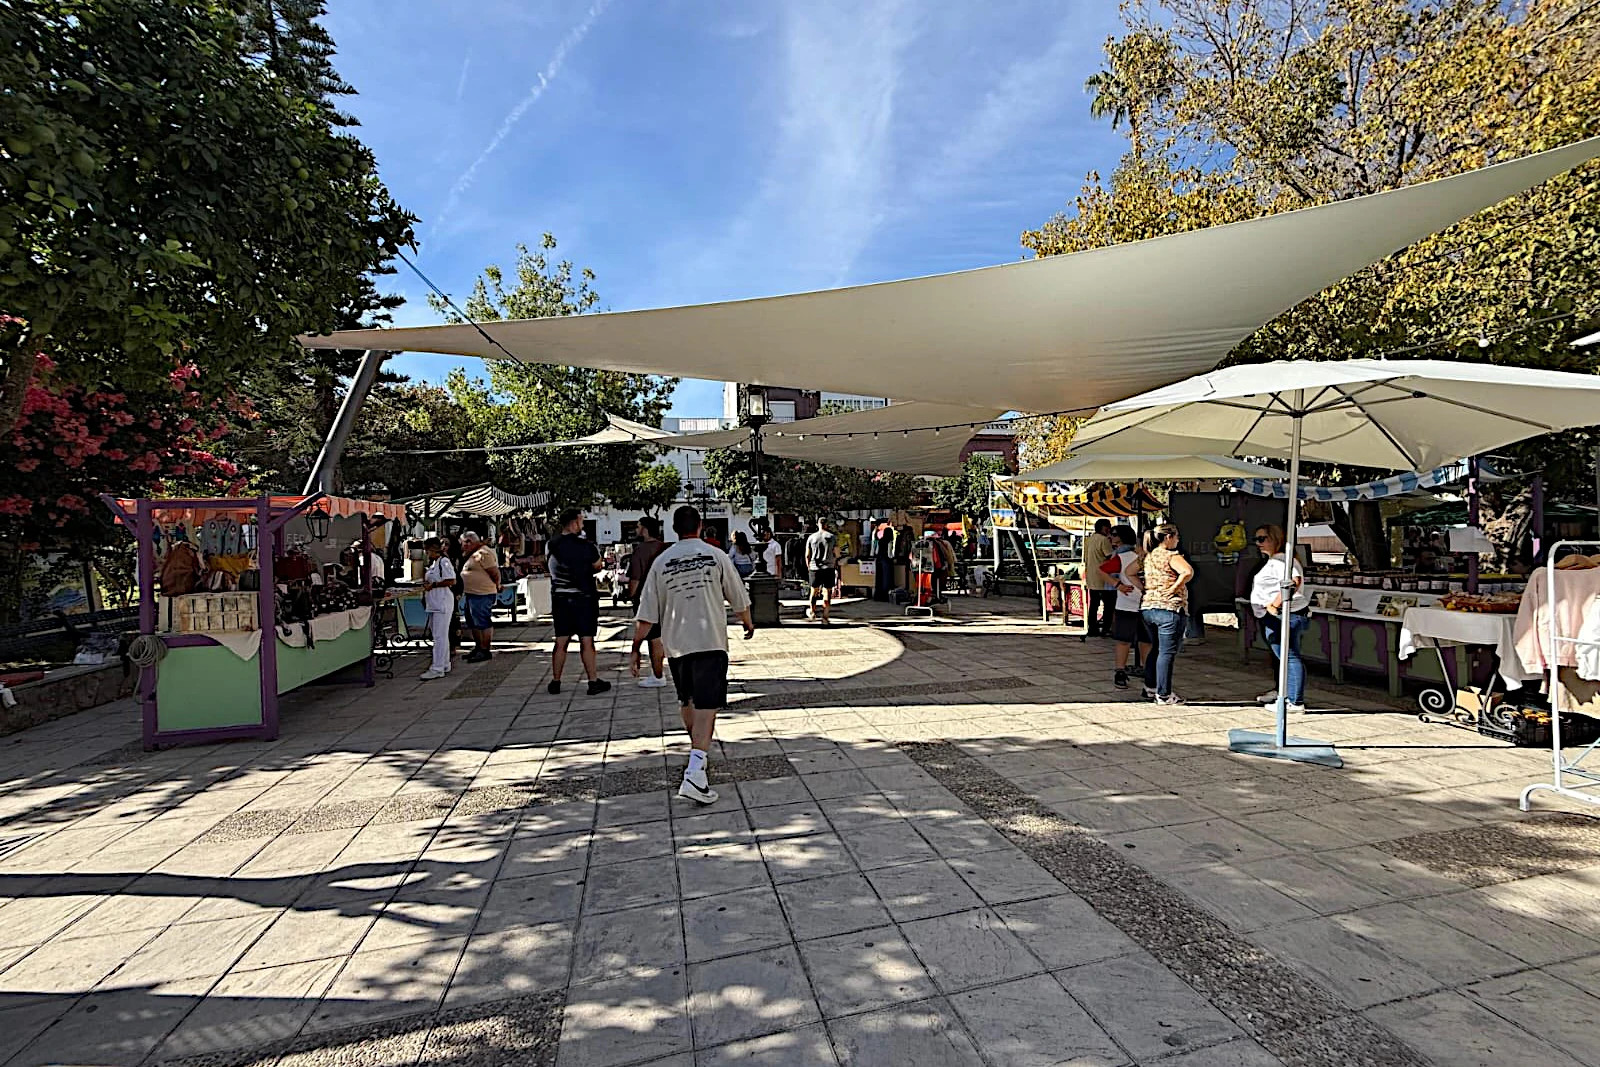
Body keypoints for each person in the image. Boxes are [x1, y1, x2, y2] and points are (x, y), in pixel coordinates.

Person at [630, 505, 755, 805]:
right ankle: (695, 772)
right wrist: (747, 623)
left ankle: (698, 756)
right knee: (706, 706)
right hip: (710, 641)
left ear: (674, 529)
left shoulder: (662, 562)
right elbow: (739, 597)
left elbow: (646, 614)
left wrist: (635, 647)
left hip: (677, 645)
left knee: (687, 701)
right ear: (699, 526)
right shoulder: (716, 555)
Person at [546, 508, 611, 696]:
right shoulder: (587, 546)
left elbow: (549, 564)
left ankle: (556, 681)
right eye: (581, 521)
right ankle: (592, 681)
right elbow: (597, 565)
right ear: (574, 523)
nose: (582, 524)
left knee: (561, 641)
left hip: (560, 598)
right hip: (584, 598)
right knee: (587, 640)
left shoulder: (551, 545)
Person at [1250, 524, 1310, 713]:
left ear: (1274, 539)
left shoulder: (1283, 560)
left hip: (1284, 614)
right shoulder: (1274, 560)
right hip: (1273, 614)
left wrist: (1274, 605)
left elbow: (1293, 581)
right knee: (1279, 656)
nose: (1258, 543)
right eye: (1256, 539)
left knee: (1289, 656)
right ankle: (1282, 692)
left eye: (1262, 539)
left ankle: (1295, 701)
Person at [1139, 523, 1194, 705]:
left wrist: (1145, 588)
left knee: (1155, 649)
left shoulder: (1149, 557)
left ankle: (1150, 687)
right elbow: (1188, 572)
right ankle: (1164, 694)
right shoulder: (1172, 556)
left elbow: (1130, 572)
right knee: (1166, 653)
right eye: (1176, 536)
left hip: (1148, 607)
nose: (1178, 540)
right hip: (1169, 609)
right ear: (1168, 537)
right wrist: (1174, 588)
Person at [1107, 525, 1152, 692]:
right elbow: (1103, 570)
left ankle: (1148, 671)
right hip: (1127, 604)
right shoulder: (1124, 556)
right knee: (1124, 640)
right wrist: (1117, 585)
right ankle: (1120, 671)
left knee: (1146, 640)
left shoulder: (1154, 558)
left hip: (1146, 605)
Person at [627, 516, 670, 689]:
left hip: (646, 597)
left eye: (638, 527)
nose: (636, 530)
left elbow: (635, 578)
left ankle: (658, 675)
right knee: (660, 636)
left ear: (645, 529)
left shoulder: (640, 550)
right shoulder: (664, 548)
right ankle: (660, 672)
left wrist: (631, 595)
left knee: (653, 638)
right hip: (666, 596)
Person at [459, 531, 500, 663]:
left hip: (482, 593)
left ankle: (485, 649)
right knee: (473, 622)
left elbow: (494, 572)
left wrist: (497, 585)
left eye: (463, 543)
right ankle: (478, 647)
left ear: (469, 542)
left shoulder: (483, 554)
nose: (462, 546)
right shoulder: (474, 554)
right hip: (472, 593)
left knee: (482, 622)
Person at [418, 537, 456, 681]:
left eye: (427, 550)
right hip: (435, 603)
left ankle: (437, 667)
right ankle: (444, 663)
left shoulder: (444, 562)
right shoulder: (434, 563)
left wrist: (433, 585)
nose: (426, 553)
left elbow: (451, 580)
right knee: (440, 635)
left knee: (439, 636)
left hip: (442, 602)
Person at [1083, 518, 1116, 638]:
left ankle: (1092, 628)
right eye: (1108, 527)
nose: (1109, 530)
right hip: (1103, 578)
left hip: (1091, 577)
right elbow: (1110, 557)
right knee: (1108, 605)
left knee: (1094, 605)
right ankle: (1106, 628)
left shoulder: (1089, 539)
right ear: (1103, 528)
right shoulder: (1103, 540)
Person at [805, 517, 838, 625]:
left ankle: (812, 612)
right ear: (826, 524)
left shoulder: (811, 537)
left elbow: (807, 555)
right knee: (827, 593)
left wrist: (809, 566)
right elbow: (836, 553)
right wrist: (834, 562)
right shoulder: (832, 537)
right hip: (829, 568)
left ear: (817, 524)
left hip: (815, 568)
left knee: (813, 591)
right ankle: (825, 617)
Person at [872, 517, 895, 602]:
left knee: (879, 577)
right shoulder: (889, 540)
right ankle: (885, 595)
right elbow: (890, 553)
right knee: (886, 577)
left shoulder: (879, 539)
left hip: (879, 558)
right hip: (886, 559)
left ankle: (878, 595)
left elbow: (875, 550)